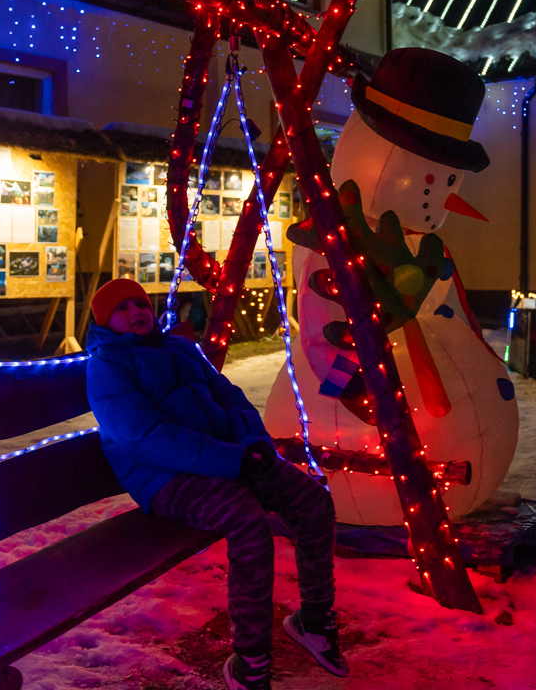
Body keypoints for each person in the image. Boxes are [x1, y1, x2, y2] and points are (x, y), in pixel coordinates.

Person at [85, 278, 346, 690]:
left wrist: (254, 443)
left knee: (312, 501)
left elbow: (230, 397)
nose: (136, 312)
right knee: (248, 525)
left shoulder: (179, 348)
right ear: (104, 322)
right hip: (166, 478)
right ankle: (251, 659)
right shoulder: (108, 365)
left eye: (140, 304)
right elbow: (144, 437)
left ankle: (314, 621)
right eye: (122, 308)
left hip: (226, 459)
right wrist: (231, 459)